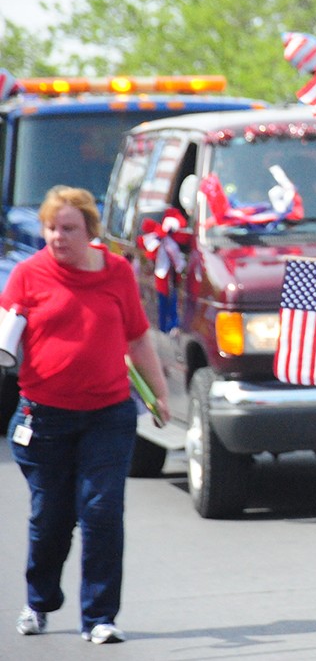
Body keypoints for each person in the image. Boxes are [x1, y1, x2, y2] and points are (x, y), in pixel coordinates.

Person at [5, 186, 171, 644]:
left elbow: (138, 339)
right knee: (50, 517)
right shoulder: (27, 275)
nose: (59, 237)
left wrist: (158, 396)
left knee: (101, 512)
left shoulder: (116, 273)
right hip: (44, 418)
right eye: (52, 228)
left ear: (90, 232)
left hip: (107, 414)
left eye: (69, 229)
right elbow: (5, 333)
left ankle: (99, 616)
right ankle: (38, 603)